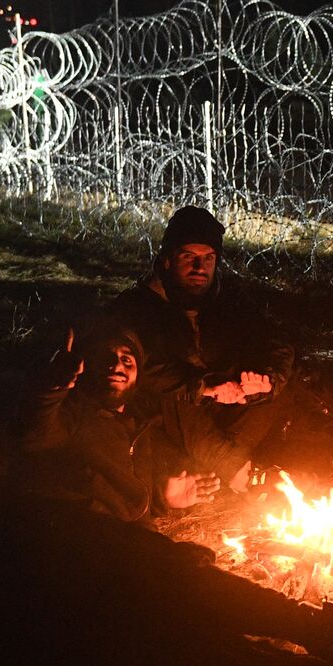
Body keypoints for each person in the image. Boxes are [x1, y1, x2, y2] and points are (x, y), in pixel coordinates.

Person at [110, 206, 295, 492]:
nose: (199, 268)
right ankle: (240, 475)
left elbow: (276, 343)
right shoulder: (135, 307)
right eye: (189, 257)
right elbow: (139, 367)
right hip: (171, 420)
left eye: (208, 259)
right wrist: (204, 387)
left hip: (224, 417)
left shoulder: (231, 302)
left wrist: (264, 381)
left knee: (279, 389)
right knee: (177, 397)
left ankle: (219, 466)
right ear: (168, 260)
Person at [21, 318, 220, 523]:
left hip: (131, 539)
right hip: (90, 535)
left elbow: (131, 503)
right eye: (105, 359)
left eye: (127, 360)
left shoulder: (141, 423)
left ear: (138, 375)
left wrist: (162, 496)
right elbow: (37, 433)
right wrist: (53, 387)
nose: (116, 365)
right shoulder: (72, 415)